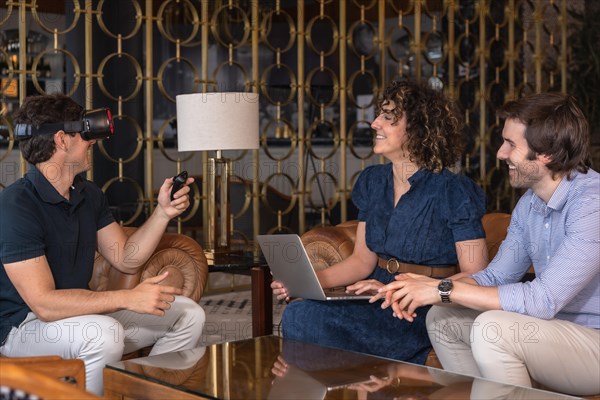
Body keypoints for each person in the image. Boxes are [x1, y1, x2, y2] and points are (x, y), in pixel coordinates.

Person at [377, 92, 599, 396]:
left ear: (546, 154)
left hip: (593, 341)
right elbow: (494, 277)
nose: (500, 153)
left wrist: (444, 289)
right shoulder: (529, 204)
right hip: (552, 335)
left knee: (491, 329)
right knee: (443, 318)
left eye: (511, 144)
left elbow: (544, 299)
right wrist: (419, 287)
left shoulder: (592, 205)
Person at [0, 94, 205, 395]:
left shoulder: (88, 194)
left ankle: (145, 393)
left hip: (78, 318)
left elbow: (126, 258)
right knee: (104, 333)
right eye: (84, 134)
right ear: (61, 140)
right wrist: (127, 298)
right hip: (23, 328)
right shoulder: (16, 205)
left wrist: (163, 213)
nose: (92, 141)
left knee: (188, 314)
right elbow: (44, 304)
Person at [271, 79, 489, 364]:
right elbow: (362, 260)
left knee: (306, 319)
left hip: (420, 306)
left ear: (417, 129)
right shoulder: (372, 182)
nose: (374, 124)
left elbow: (478, 274)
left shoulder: (454, 190)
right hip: (375, 296)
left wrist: (412, 289)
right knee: (301, 311)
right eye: (379, 115)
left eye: (387, 117)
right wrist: (306, 284)